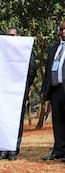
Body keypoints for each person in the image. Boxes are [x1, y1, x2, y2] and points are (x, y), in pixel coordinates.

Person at [0, 27, 37, 161]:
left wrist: (24, 86)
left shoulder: (25, 49)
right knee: (3, 120)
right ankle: (3, 151)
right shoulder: (2, 52)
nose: (11, 38)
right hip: (4, 91)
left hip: (18, 91)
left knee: (17, 121)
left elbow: (32, 69)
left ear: (18, 36)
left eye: (13, 35)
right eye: (9, 36)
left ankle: (13, 150)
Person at [41, 21, 65, 161]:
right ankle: (58, 151)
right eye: (61, 29)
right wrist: (45, 89)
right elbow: (48, 72)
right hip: (55, 90)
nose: (63, 32)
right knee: (57, 123)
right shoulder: (53, 49)